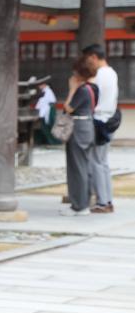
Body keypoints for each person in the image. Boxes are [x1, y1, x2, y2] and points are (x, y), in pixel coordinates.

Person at [63, 53, 101, 218]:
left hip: (78, 127)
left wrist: (72, 89)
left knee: (76, 167)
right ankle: (84, 202)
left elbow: (68, 108)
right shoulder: (93, 88)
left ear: (79, 73)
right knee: (85, 166)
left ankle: (79, 206)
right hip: (88, 126)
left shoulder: (82, 90)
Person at [86, 44, 120, 213]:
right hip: (109, 120)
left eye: (88, 59)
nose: (88, 63)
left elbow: (93, 98)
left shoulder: (100, 75)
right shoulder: (111, 72)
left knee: (96, 162)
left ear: (93, 56)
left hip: (100, 120)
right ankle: (107, 200)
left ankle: (102, 202)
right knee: (103, 162)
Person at [34, 81, 57, 146]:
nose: (39, 86)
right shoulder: (44, 91)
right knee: (44, 127)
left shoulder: (47, 91)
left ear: (44, 84)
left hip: (48, 111)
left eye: (40, 85)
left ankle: (53, 142)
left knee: (49, 127)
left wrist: (40, 113)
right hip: (46, 111)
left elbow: (44, 103)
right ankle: (47, 141)